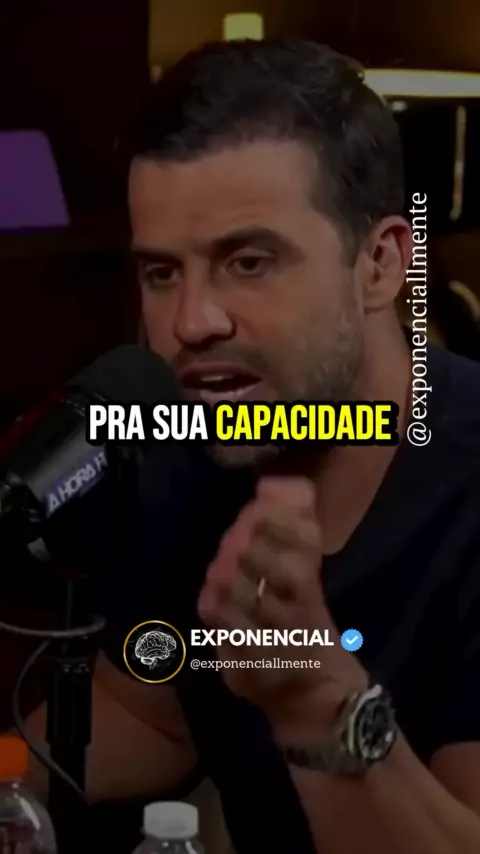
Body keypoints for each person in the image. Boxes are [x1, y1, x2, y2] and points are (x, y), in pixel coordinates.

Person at [25, 39, 480, 854]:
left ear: (380, 266)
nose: (192, 322)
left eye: (248, 261)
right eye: (162, 273)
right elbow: (149, 715)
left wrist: (319, 703)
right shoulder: (193, 446)